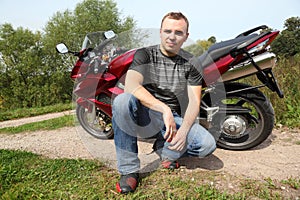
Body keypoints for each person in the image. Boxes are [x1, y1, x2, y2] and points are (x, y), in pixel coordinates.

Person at [112, 12, 216, 194]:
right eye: (167, 31)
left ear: (186, 37)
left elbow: (194, 101)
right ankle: (129, 171)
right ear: (160, 32)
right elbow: (130, 85)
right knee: (122, 101)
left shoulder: (191, 62)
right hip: (145, 113)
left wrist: (183, 131)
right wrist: (163, 108)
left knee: (207, 144)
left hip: (173, 120)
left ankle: (164, 149)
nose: (172, 36)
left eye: (178, 32)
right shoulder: (144, 55)